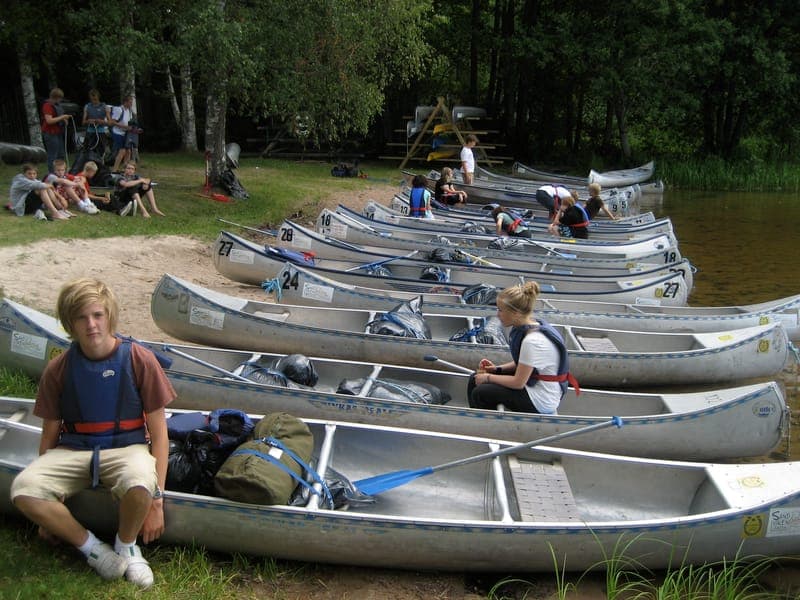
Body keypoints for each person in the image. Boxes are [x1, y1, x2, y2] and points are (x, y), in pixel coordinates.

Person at [10, 278, 175, 589]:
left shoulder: (139, 359)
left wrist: (157, 501)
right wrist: (52, 500)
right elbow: (49, 435)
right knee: (24, 488)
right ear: (70, 323)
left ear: (109, 317)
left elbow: (160, 434)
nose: (91, 325)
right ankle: (94, 550)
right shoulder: (58, 369)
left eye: (97, 315)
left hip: (127, 448)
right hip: (74, 451)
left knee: (141, 482)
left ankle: (126, 544)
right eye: (81, 317)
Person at [467, 282, 577, 414]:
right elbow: (524, 363)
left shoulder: (532, 341)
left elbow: (518, 382)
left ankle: (486, 426)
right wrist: (497, 369)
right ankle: (479, 415)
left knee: (480, 393)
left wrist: (488, 378)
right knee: (476, 377)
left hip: (540, 398)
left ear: (516, 313)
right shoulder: (531, 326)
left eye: (501, 310)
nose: (497, 315)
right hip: (534, 385)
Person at [41, 88, 73, 173]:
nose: (60, 100)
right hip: (50, 133)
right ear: (56, 97)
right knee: (53, 155)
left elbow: (57, 117)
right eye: (59, 98)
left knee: (61, 155)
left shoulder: (57, 105)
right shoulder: (47, 105)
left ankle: (61, 172)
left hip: (58, 133)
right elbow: (49, 120)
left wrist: (64, 120)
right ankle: (52, 174)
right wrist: (62, 117)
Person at [82, 89, 111, 159]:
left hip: (100, 131)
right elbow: (83, 122)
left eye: (95, 98)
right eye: (92, 98)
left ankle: (100, 164)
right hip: (90, 132)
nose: (93, 100)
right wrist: (88, 121)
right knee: (88, 151)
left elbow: (110, 122)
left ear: (98, 97)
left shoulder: (104, 106)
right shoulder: (87, 106)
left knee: (101, 151)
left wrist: (102, 121)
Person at [110, 96, 134, 172]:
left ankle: (125, 168)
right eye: (130, 102)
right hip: (117, 132)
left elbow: (129, 122)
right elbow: (112, 122)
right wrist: (124, 126)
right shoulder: (119, 109)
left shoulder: (129, 111)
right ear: (125, 102)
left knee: (128, 151)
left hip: (126, 133)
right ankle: (114, 169)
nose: (131, 104)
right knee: (122, 150)